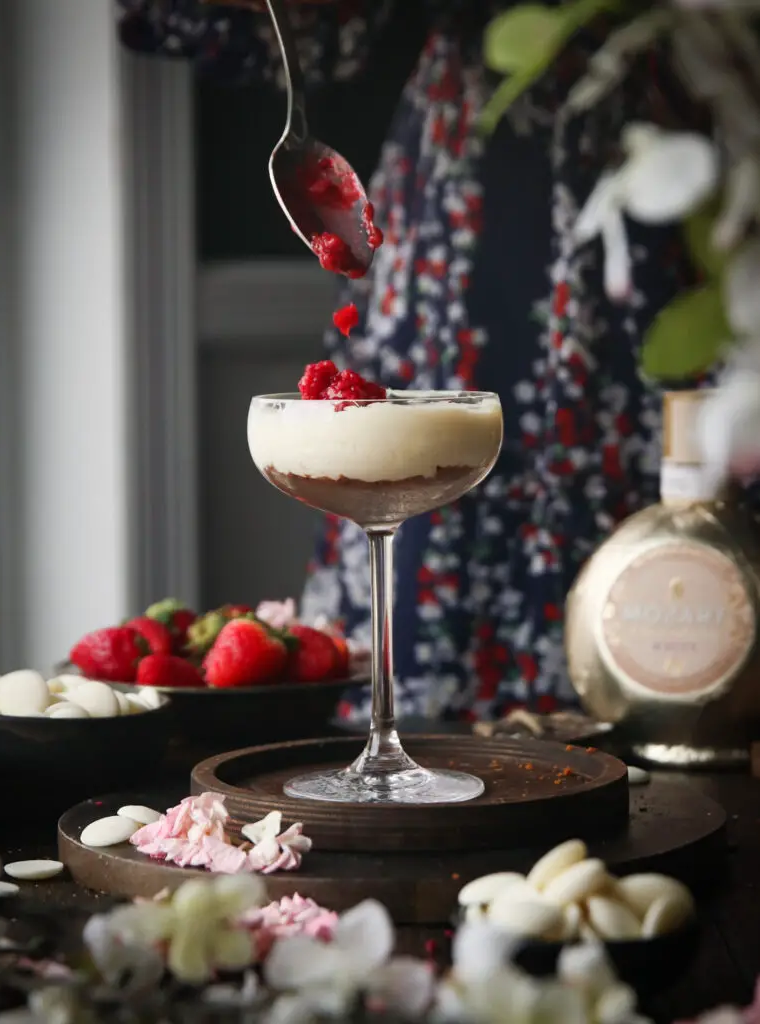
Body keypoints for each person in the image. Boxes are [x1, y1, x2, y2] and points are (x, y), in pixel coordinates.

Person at [117, 0, 700, 723]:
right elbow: (313, 35)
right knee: (402, 490)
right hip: (471, 176)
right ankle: (405, 765)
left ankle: (654, 744)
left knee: (695, 524)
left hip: (693, 150)